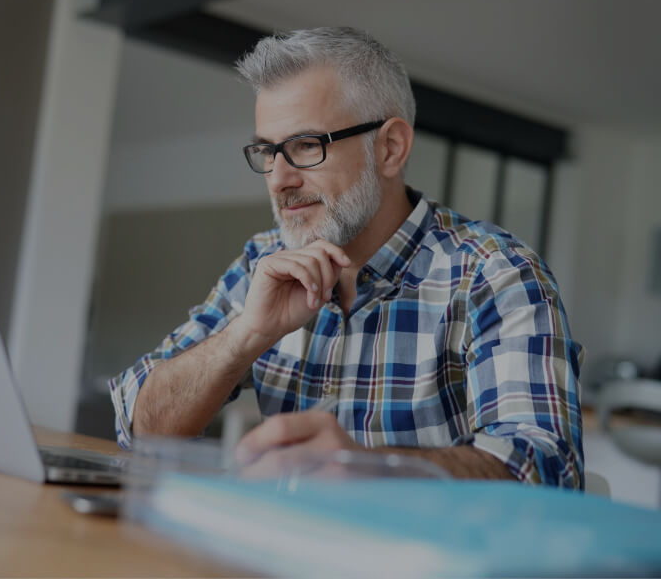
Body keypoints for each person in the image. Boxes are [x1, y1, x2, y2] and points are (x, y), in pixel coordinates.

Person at [109, 27, 584, 488]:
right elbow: (138, 426)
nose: (278, 179)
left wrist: (367, 468)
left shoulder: (494, 273)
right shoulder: (264, 261)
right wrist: (246, 336)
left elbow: (547, 470)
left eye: (305, 146)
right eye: (266, 152)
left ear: (390, 148)